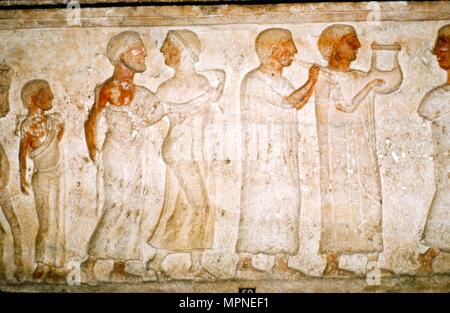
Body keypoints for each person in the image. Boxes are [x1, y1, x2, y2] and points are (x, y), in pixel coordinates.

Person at [314, 24, 398, 281]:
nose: (357, 46)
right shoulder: (325, 79)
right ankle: (332, 263)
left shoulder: (359, 75)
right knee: (337, 201)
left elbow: (391, 83)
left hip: (362, 149)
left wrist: (388, 61)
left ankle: (372, 263)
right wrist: (369, 84)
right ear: (334, 46)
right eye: (351, 41)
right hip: (338, 152)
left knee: (370, 197)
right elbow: (345, 107)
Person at [82, 31, 165, 284]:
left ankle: (119, 267)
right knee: (116, 206)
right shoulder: (109, 88)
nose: (144, 53)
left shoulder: (140, 91)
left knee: (132, 208)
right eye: (137, 49)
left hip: (134, 153)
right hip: (115, 153)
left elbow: (158, 109)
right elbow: (92, 121)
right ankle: (90, 264)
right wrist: (93, 152)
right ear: (121, 55)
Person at [236, 28, 319, 279]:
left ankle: (280, 263)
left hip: (284, 152)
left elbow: (297, 103)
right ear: (273, 50)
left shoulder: (282, 81)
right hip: (263, 154)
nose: (293, 52)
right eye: (288, 46)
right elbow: (291, 102)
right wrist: (312, 81)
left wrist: (311, 84)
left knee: (287, 201)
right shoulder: (255, 80)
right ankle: (245, 263)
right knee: (259, 203)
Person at [147, 29, 225, 280]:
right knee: (201, 205)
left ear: (187, 52)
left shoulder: (202, 82)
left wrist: (220, 82)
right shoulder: (167, 86)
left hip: (194, 151)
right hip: (179, 150)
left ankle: (158, 262)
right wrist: (174, 108)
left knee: (180, 205)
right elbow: (151, 116)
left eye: (170, 46)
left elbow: (213, 97)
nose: (163, 51)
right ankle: (195, 266)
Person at [19, 79, 66, 283]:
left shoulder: (54, 121)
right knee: (46, 221)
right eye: (47, 93)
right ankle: (41, 263)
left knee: (58, 221)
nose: (52, 97)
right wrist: (23, 178)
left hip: (57, 175)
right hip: (42, 177)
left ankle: (55, 264)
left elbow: (57, 138)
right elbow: (22, 154)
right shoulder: (28, 125)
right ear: (33, 99)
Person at [417, 24, 450, 274]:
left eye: (445, 49)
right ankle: (429, 255)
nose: (440, 55)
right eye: (438, 50)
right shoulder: (436, 98)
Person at [0, 142, 24, 282]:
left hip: (2, 189)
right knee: (2, 232)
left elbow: (5, 166)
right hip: (2, 188)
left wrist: (1, 183)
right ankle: (2, 269)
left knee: (15, 226)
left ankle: (19, 267)